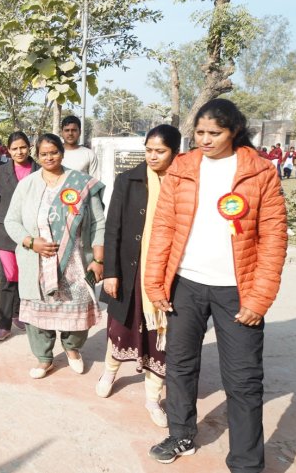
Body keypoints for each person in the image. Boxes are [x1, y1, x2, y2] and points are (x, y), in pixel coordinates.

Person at [144, 99, 287, 471]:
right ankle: (180, 434)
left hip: (237, 290)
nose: (205, 140)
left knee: (243, 380)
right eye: (200, 133)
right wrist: (156, 281)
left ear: (234, 131)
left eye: (214, 133)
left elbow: (274, 238)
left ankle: (246, 462)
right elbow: (163, 228)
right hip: (186, 284)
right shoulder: (183, 168)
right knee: (180, 365)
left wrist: (260, 298)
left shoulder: (260, 172)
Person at [95, 125, 181, 428]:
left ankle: (152, 396)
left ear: (174, 152)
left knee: (160, 338)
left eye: (160, 151)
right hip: (130, 272)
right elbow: (113, 228)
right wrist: (112, 273)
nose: (153, 156)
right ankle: (109, 372)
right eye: (149, 150)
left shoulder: (182, 183)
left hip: (165, 278)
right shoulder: (127, 180)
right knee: (121, 328)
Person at [4, 133, 105, 379]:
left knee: (76, 308)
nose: (49, 157)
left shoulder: (80, 182)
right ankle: (44, 358)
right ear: (37, 156)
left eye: (54, 152)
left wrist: (99, 260)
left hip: (75, 263)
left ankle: (72, 350)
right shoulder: (27, 184)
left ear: (62, 152)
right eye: (44, 154)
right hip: (36, 262)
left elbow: (99, 223)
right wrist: (30, 242)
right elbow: (11, 221)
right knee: (39, 313)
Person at [0, 131, 39, 341]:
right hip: (6, 232)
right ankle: (4, 324)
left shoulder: (40, 169)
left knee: (26, 276)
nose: (19, 152)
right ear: (8, 151)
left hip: (32, 233)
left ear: (30, 147)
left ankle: (20, 314)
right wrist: (4, 222)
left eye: (23, 147)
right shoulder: (0, 172)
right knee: (9, 276)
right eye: (15, 148)